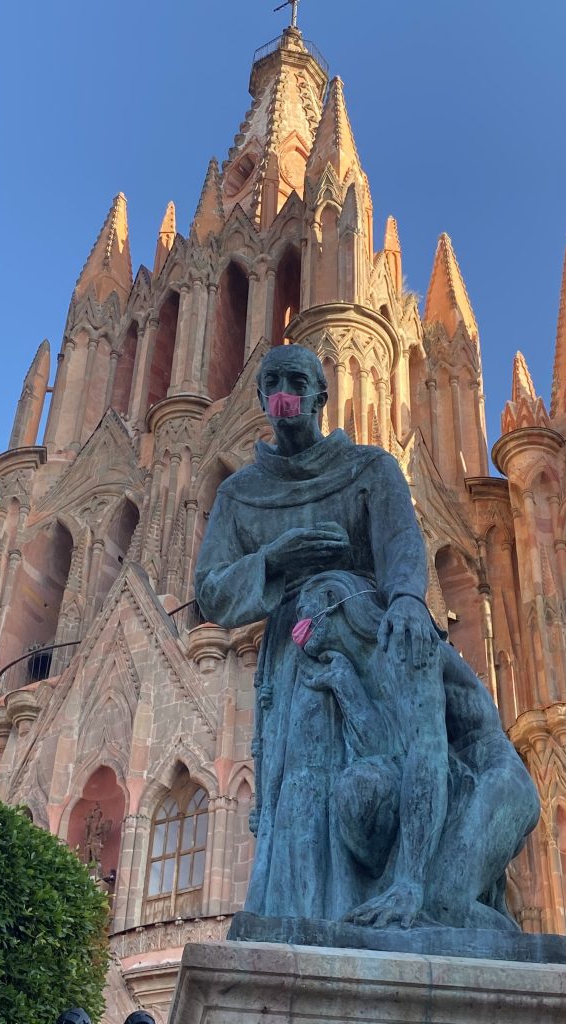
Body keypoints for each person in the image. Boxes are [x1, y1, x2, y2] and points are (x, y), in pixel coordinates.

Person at [195, 344, 444, 924]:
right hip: (293, 658)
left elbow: (401, 546)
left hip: (367, 643)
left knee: (373, 773)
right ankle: (303, 920)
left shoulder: (369, 469)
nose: (285, 392)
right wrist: (274, 560)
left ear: (320, 396)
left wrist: (407, 598)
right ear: (261, 400)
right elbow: (210, 589)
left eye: (297, 381)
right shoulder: (240, 494)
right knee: (301, 791)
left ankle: (391, 897)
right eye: (273, 382)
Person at [295, 570, 540, 930]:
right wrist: (345, 685)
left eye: (304, 611)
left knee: (440, 907)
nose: (297, 626)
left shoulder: (406, 640)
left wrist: (409, 880)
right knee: (357, 790)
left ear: (332, 603)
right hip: (456, 780)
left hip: (495, 780)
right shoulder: (363, 667)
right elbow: (387, 751)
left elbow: (428, 756)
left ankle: (527, 956)